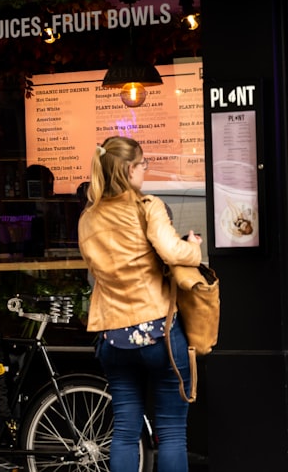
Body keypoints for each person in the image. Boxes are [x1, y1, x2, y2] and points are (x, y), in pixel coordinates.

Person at [77, 136, 203, 472]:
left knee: (125, 432)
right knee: (173, 433)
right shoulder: (146, 207)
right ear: (130, 168)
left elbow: (94, 268)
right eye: (143, 164)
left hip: (113, 335)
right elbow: (173, 253)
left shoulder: (88, 219)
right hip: (158, 330)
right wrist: (193, 246)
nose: (145, 171)